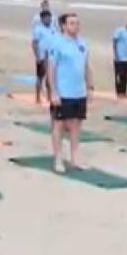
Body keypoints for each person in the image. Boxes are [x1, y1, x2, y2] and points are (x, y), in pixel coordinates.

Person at [48, 13, 92, 173]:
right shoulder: (57, 43)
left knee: (76, 125)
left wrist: (90, 87)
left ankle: (75, 158)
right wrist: (54, 92)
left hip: (78, 92)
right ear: (64, 26)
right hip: (63, 92)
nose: (75, 26)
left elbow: (86, 66)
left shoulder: (82, 44)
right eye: (72, 23)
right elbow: (51, 69)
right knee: (59, 126)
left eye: (77, 23)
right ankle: (58, 159)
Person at [31, 10, 56, 104]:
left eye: (49, 17)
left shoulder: (53, 29)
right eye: (46, 18)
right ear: (42, 19)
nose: (48, 19)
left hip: (52, 57)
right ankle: (37, 97)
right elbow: (34, 43)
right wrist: (37, 57)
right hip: (41, 57)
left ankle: (49, 97)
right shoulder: (38, 29)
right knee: (40, 77)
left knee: (50, 78)